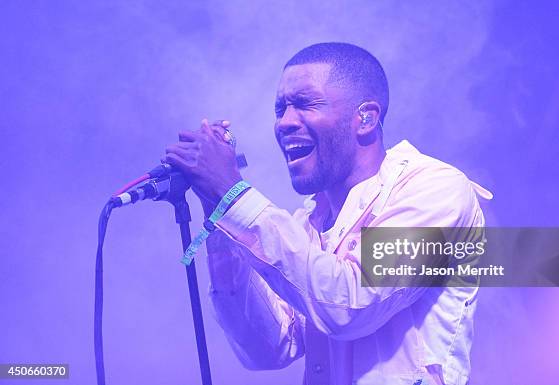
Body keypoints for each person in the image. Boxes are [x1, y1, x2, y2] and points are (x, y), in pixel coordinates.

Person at [164, 42, 491, 385]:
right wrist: (219, 212)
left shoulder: (436, 189)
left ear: (365, 118)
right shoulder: (307, 224)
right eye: (281, 109)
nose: (285, 122)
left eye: (305, 104)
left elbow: (350, 304)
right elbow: (268, 348)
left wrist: (233, 195)